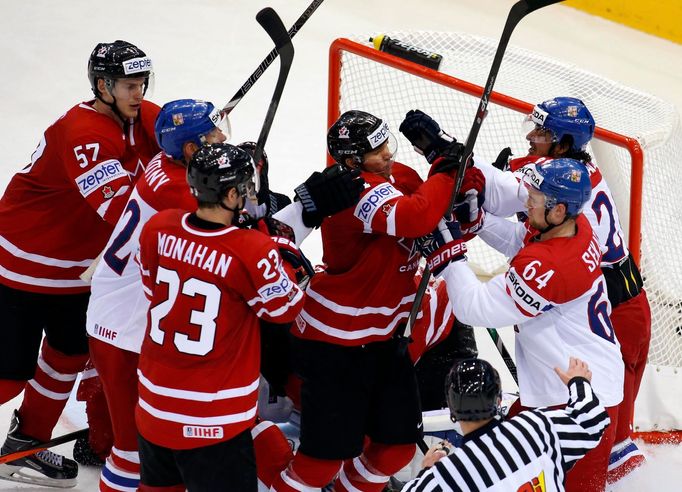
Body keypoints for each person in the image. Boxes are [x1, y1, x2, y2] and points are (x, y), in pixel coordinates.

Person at [85, 99, 365, 491]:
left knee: (152, 448)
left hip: (146, 321)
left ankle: (102, 427)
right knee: (132, 456)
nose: (221, 137)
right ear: (191, 152)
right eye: (214, 135)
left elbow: (244, 233)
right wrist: (302, 208)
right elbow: (252, 257)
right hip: (132, 329)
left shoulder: (169, 182)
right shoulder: (184, 204)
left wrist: (244, 184)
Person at [271, 109, 465, 492]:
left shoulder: (397, 177)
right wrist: (446, 170)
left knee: (395, 450)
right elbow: (415, 217)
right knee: (320, 465)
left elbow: (436, 201)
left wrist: (454, 167)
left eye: (386, 143)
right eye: (377, 150)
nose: (388, 154)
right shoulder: (355, 189)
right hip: (333, 343)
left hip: (384, 342)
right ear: (351, 161)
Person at [0, 40, 159, 487]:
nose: (139, 92)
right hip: (23, 265)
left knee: (67, 356)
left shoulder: (138, 114)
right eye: (130, 84)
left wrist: (202, 139)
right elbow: (121, 211)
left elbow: (177, 130)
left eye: (142, 83)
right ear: (103, 86)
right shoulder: (83, 133)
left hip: (76, 273)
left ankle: (24, 445)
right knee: (8, 376)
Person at [413, 157, 624, 492]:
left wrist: (449, 256)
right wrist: (480, 221)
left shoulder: (550, 267)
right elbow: (522, 242)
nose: (527, 200)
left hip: (576, 394)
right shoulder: (577, 227)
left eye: (535, 198)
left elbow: (473, 307)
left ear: (557, 211)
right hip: (566, 377)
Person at [479, 97, 650, 482]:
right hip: (625, 305)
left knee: (593, 445)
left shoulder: (559, 187)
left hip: (611, 323)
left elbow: (506, 199)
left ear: (563, 143)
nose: (531, 138)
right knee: (591, 441)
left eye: (542, 133)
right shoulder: (575, 175)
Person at [134, 142, 307, 491]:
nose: (249, 194)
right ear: (230, 195)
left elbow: (153, 289)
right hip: (212, 420)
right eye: (244, 188)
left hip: (153, 406)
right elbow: (285, 309)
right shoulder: (250, 249)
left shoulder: (159, 227)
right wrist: (279, 253)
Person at [402, 356, 611, 491]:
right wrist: (579, 383)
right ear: (499, 400)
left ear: (452, 409)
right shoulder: (537, 426)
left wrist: (428, 471)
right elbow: (592, 421)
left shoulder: (447, 475)